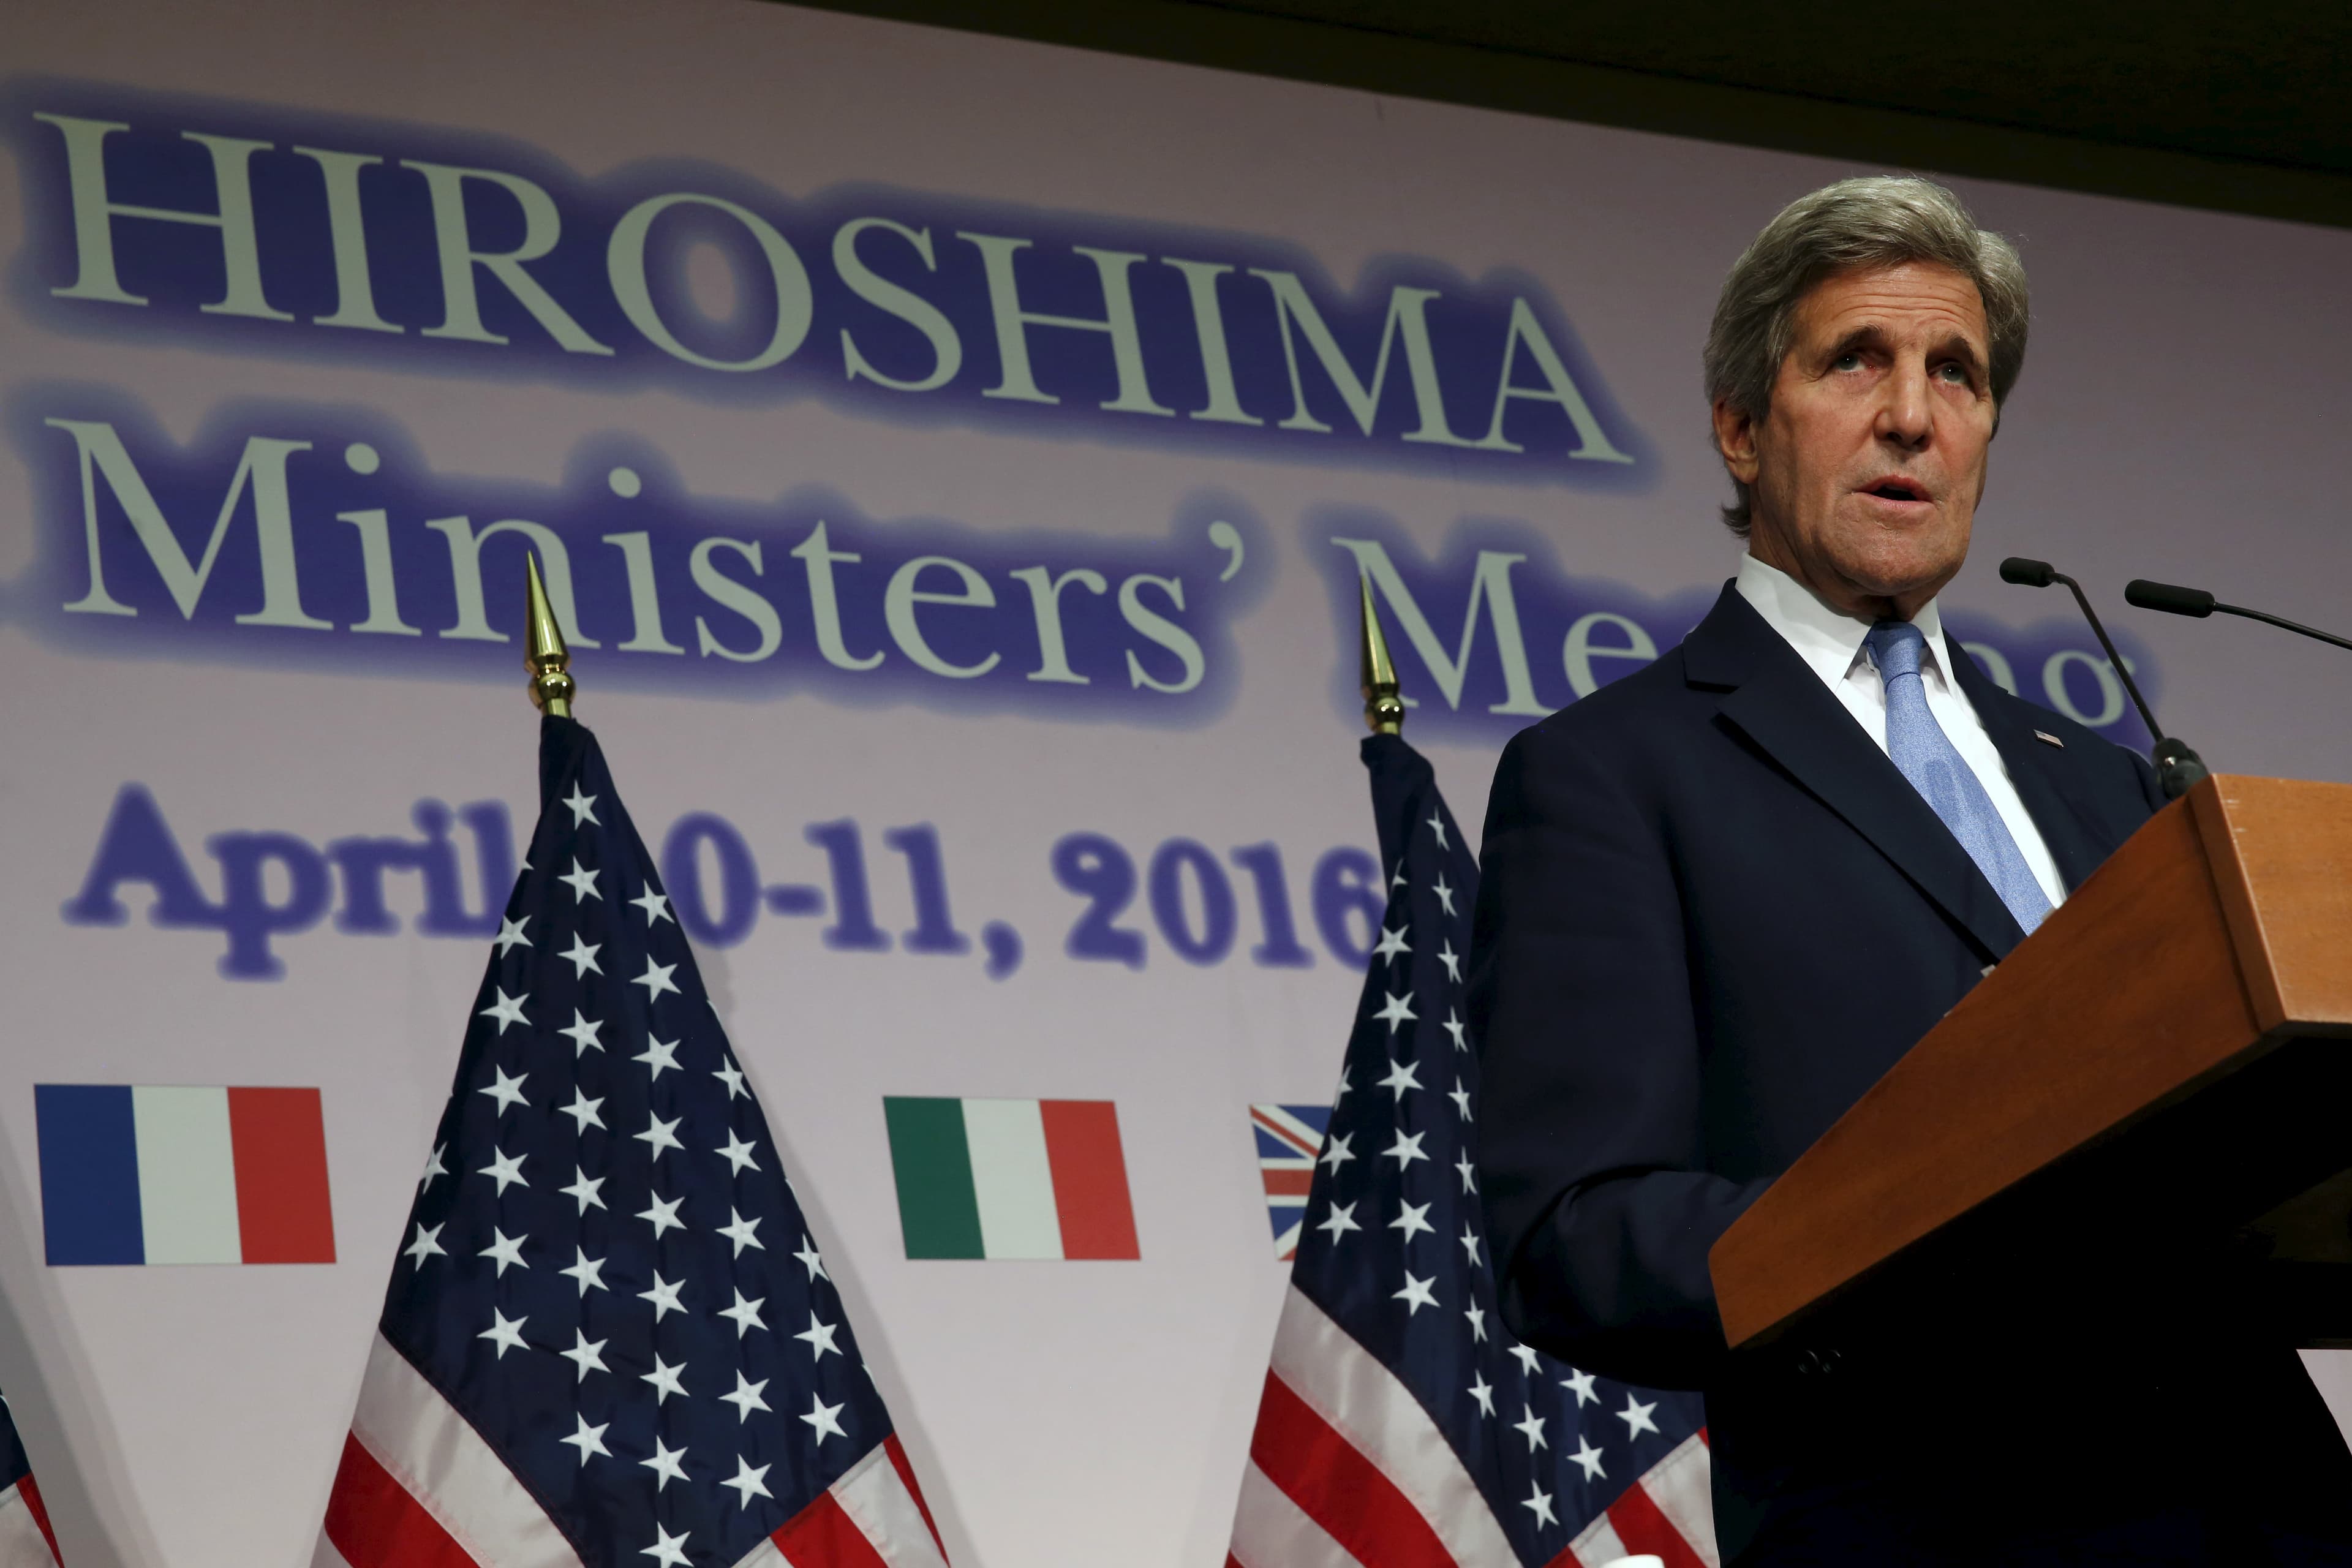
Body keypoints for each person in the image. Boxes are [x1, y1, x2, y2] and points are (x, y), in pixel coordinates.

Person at [1468, 175, 2352, 1565]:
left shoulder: (2101, 771)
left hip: (2273, 1513)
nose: (1914, 414)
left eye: (1960, 373)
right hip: (1930, 1519)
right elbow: (1578, 1235)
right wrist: (1919, 1222)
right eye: (1855, 362)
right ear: (1743, 427)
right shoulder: (1611, 774)